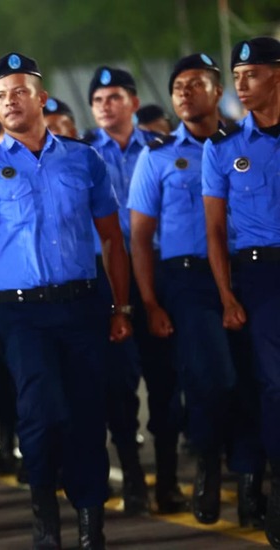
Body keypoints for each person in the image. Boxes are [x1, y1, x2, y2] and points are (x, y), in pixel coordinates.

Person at [0, 52, 132, 549]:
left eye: (18, 92)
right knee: (41, 414)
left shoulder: (83, 159)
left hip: (83, 306)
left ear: (42, 98)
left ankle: (89, 521)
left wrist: (121, 308)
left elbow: (113, 240)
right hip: (22, 314)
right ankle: (44, 512)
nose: (8, 103)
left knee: (86, 414)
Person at [129, 52, 266, 525]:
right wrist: (148, 301)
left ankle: (249, 484)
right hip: (186, 281)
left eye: (194, 84)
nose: (184, 93)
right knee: (214, 379)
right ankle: (208, 465)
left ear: (217, 91)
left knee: (253, 380)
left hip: (247, 273)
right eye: (177, 87)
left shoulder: (244, 141)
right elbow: (140, 238)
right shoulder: (158, 156)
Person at [86, 65, 184, 515]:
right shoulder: (83, 156)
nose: (105, 106)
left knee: (165, 382)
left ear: (132, 102)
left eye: (113, 97)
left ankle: (167, 481)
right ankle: (134, 483)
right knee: (118, 385)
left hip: (159, 274)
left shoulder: (162, 149)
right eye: (98, 100)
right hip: (107, 278)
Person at [201, 36, 280, 548]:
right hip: (259, 278)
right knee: (274, 387)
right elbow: (214, 231)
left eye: (252, 73)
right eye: (236, 75)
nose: (241, 84)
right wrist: (227, 295)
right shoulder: (224, 149)